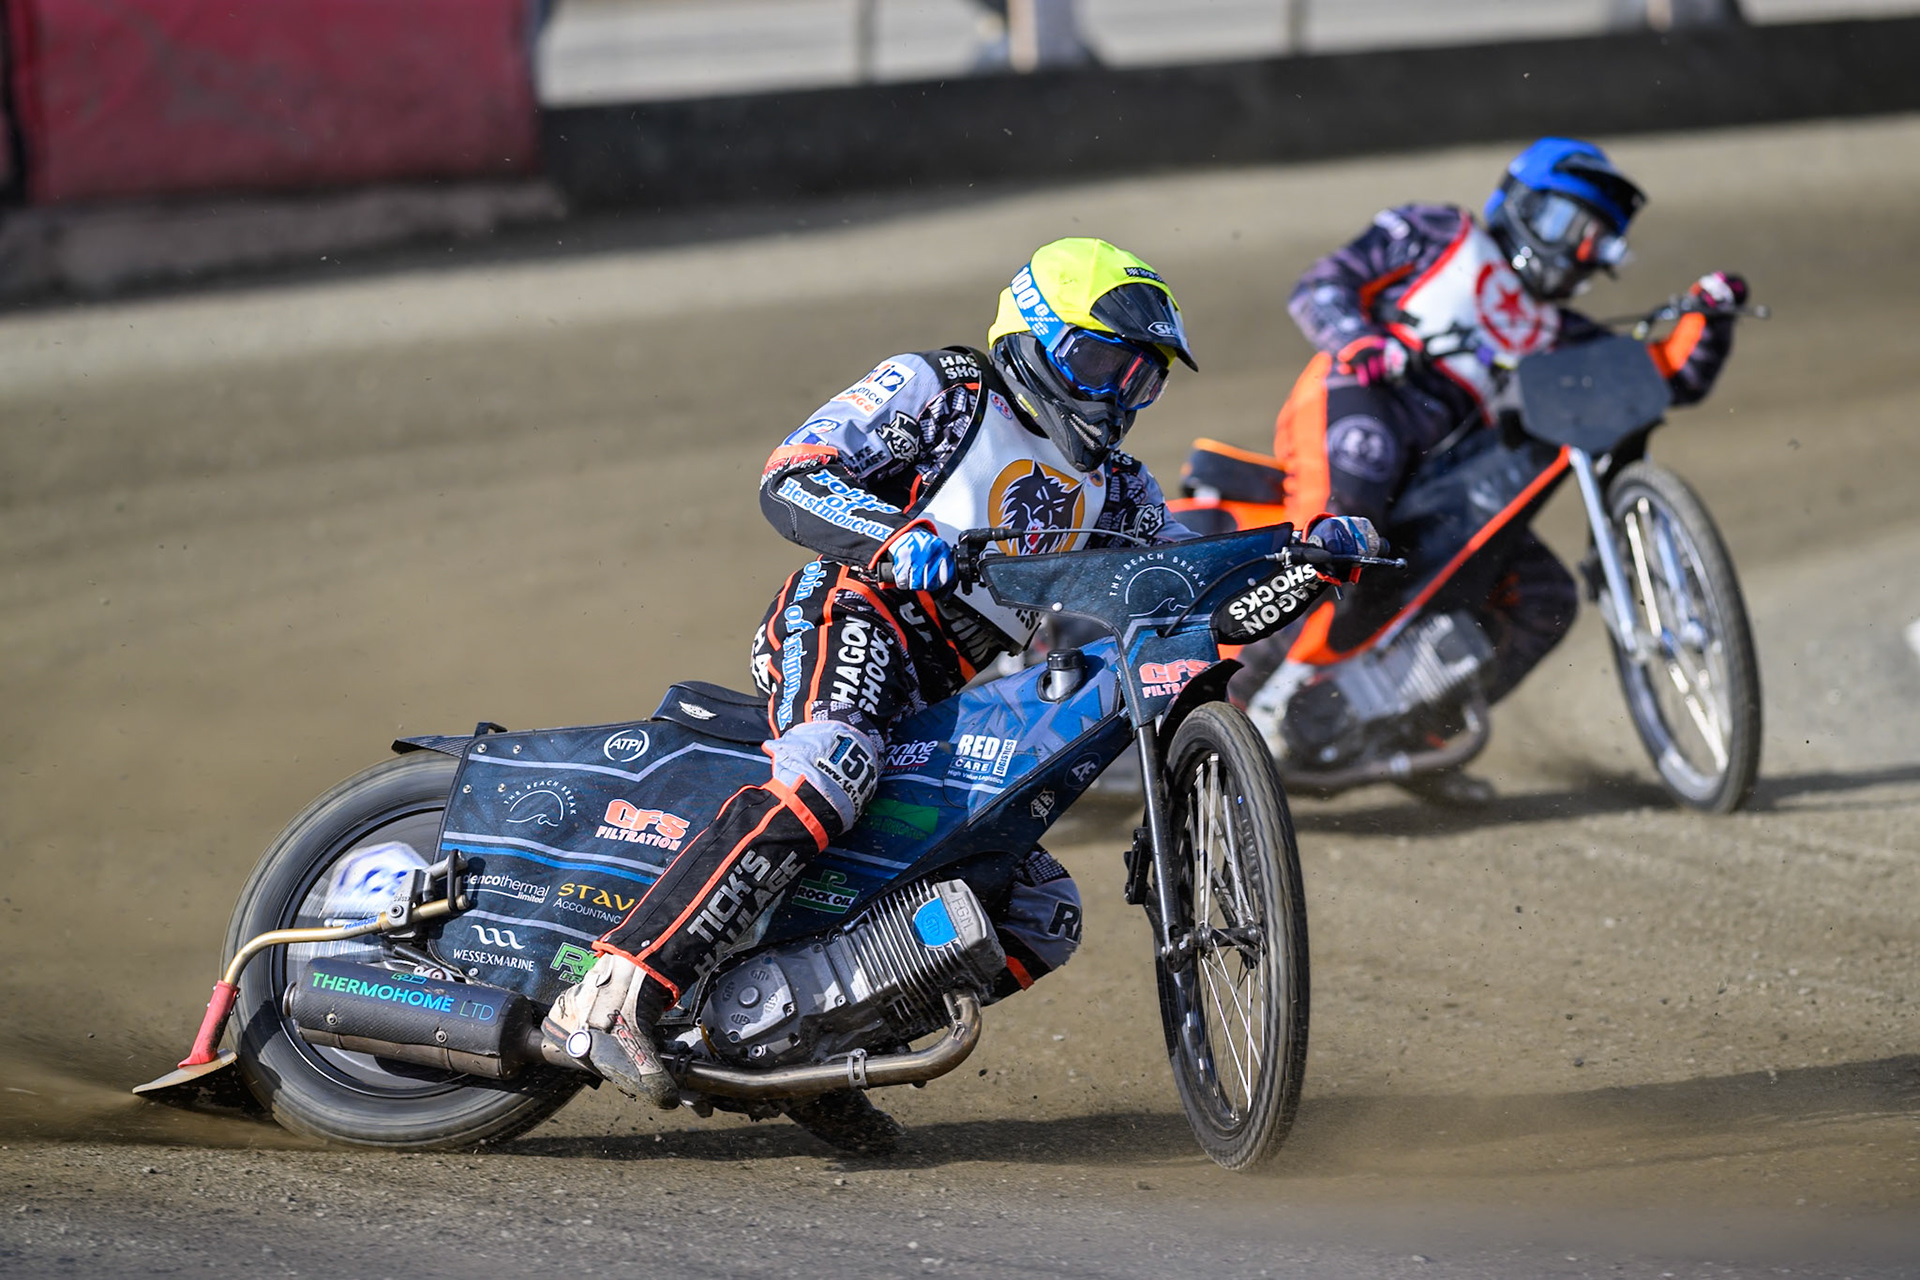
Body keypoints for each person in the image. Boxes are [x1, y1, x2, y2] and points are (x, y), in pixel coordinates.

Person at [541, 238, 1375, 1149]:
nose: (1115, 397)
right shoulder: (943, 388)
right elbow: (792, 474)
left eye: (1141, 380)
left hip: (943, 694)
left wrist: (1304, 559)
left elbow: (1182, 593)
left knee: (1039, 912)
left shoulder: (1121, 491)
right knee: (830, 769)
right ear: (1033, 338)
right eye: (1100, 363)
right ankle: (613, 991)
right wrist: (894, 536)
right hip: (850, 613)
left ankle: (807, 1048)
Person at [1244, 137, 1746, 803]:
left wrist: (1709, 315)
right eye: (1568, 224)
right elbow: (1320, 286)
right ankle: (1241, 700)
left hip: (1447, 478)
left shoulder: (1565, 336)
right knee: (1343, 531)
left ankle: (1416, 736)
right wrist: (1360, 340)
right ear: (1521, 206)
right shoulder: (1436, 232)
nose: (1578, 250)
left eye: (1598, 239)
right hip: (1360, 404)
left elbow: (1664, 378)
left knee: (1545, 599)